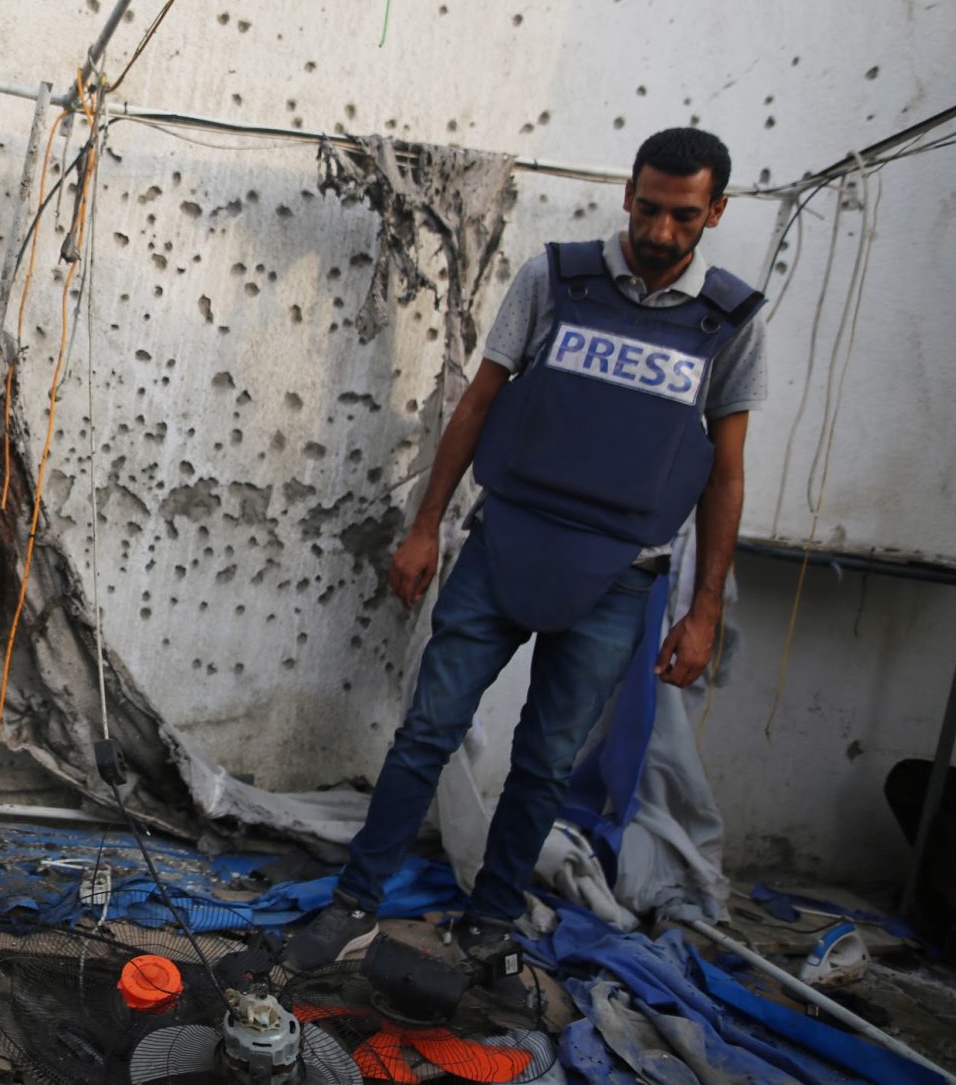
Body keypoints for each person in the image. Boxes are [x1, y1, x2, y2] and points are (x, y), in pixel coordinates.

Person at [285, 127, 767, 970]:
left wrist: (704, 608)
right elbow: (478, 403)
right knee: (426, 732)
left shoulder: (729, 321)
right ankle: (356, 903)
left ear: (715, 212)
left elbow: (725, 473)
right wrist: (427, 522)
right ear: (628, 192)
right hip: (506, 543)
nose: (660, 232)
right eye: (649, 208)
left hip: (621, 575)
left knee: (545, 763)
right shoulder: (557, 278)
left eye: (684, 217)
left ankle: (491, 922)